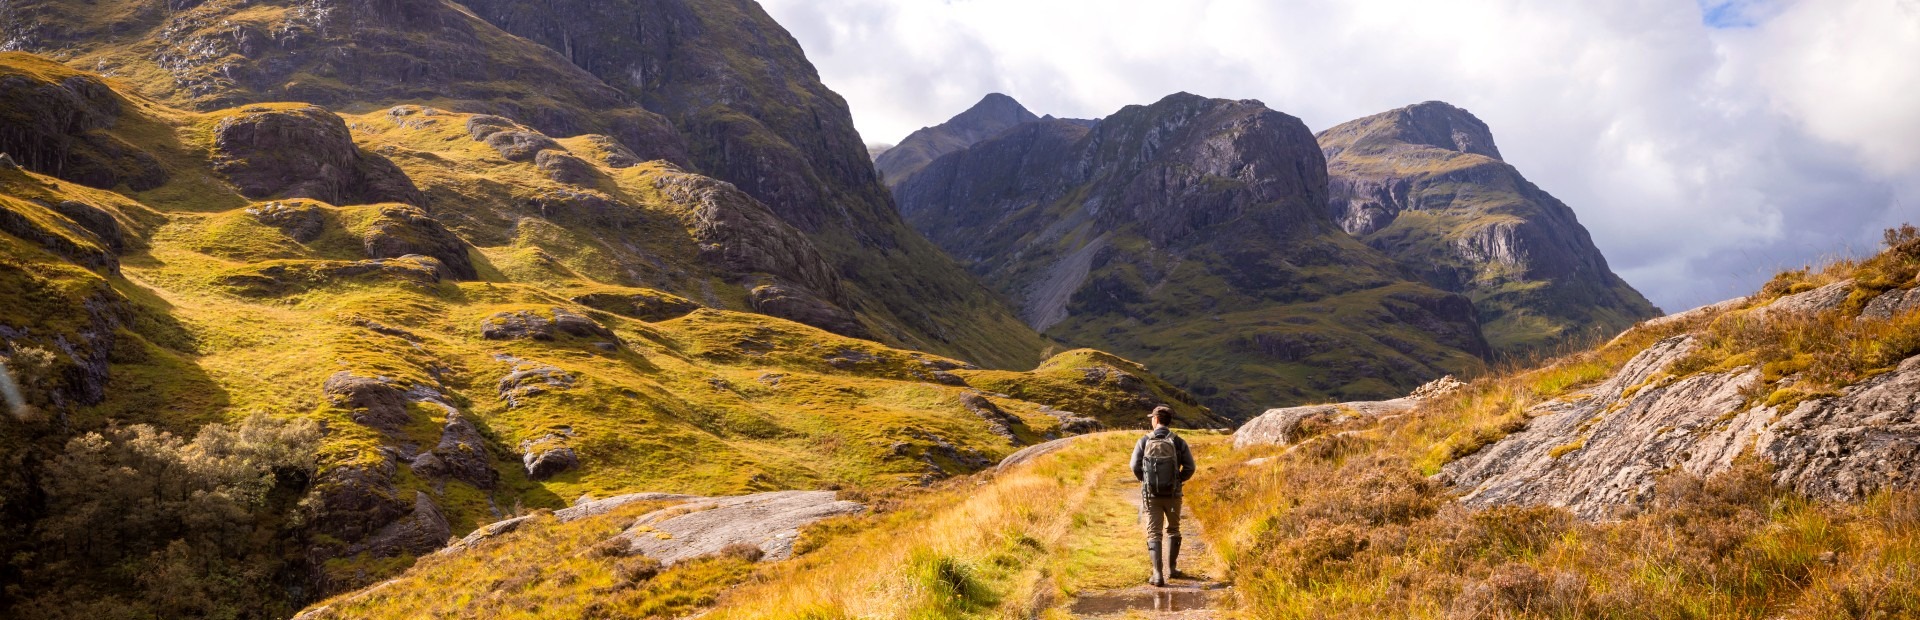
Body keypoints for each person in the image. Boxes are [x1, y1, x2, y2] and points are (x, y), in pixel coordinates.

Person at [1129, 405, 1196, 587]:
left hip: (1152, 496)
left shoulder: (1144, 441)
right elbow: (1190, 467)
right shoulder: (1179, 441)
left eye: (1152, 418)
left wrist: (1145, 481)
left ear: (1156, 420)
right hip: (1173, 495)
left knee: (1154, 532)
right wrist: (1178, 481)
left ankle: (1157, 575)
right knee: (1173, 529)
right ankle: (1173, 570)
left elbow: (1134, 465)